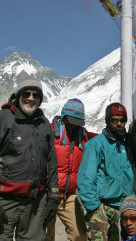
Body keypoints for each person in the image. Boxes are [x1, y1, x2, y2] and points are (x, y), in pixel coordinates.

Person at [0, 77, 60, 240]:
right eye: (26, 93)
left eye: (36, 95)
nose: (31, 98)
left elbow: (51, 163)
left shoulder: (43, 124)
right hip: (3, 201)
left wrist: (53, 197)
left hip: (35, 203)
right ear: (18, 95)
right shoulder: (1, 119)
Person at [77, 102, 135, 240]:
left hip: (123, 205)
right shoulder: (95, 144)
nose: (119, 124)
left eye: (122, 120)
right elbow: (86, 177)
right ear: (107, 121)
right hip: (102, 206)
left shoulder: (128, 143)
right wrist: (94, 207)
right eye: (114, 120)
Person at [46, 98, 97, 241]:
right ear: (63, 117)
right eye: (71, 121)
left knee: (79, 235)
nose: (74, 126)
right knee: (45, 235)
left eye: (78, 123)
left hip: (68, 196)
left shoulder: (84, 136)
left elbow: (101, 140)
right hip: (47, 194)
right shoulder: (49, 132)